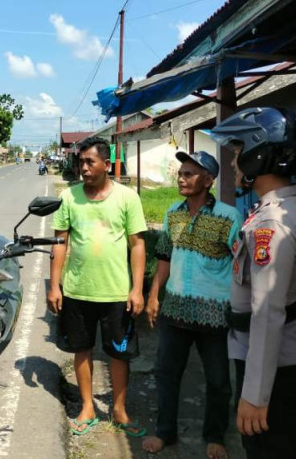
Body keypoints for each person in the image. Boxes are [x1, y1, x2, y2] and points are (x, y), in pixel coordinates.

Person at [210, 106, 296, 458]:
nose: (232, 163)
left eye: (238, 152)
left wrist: (255, 395)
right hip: (284, 354)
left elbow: (268, 311)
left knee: (267, 449)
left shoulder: (270, 224)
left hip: (273, 364)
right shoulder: (294, 205)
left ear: (261, 154)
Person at [143, 151, 242, 459]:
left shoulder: (229, 217)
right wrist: (153, 296)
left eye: (190, 174)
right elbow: (164, 257)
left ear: (209, 180)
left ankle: (215, 436)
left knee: (217, 380)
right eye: (181, 173)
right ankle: (165, 432)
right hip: (175, 310)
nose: (182, 178)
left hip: (215, 313)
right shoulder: (173, 212)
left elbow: (241, 267)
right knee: (165, 373)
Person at [47, 136, 148, 437]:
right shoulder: (69, 197)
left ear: (107, 164)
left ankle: (118, 409)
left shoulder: (127, 198)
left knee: (119, 354)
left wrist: (138, 288)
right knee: (81, 349)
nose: (84, 168)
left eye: (90, 162)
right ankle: (88, 406)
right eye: (81, 162)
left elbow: (138, 245)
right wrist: (55, 286)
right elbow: (60, 243)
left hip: (117, 291)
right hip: (77, 290)